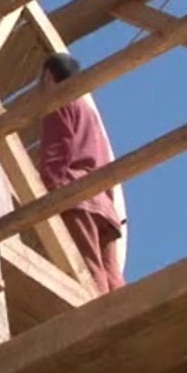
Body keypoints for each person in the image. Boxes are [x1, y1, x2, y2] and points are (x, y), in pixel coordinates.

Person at [37, 52, 127, 295]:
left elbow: (57, 148)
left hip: (77, 196)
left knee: (89, 270)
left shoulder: (59, 103)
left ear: (48, 76)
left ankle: (102, 323)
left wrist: (48, 195)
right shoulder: (89, 114)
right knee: (112, 276)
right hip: (105, 206)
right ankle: (126, 316)